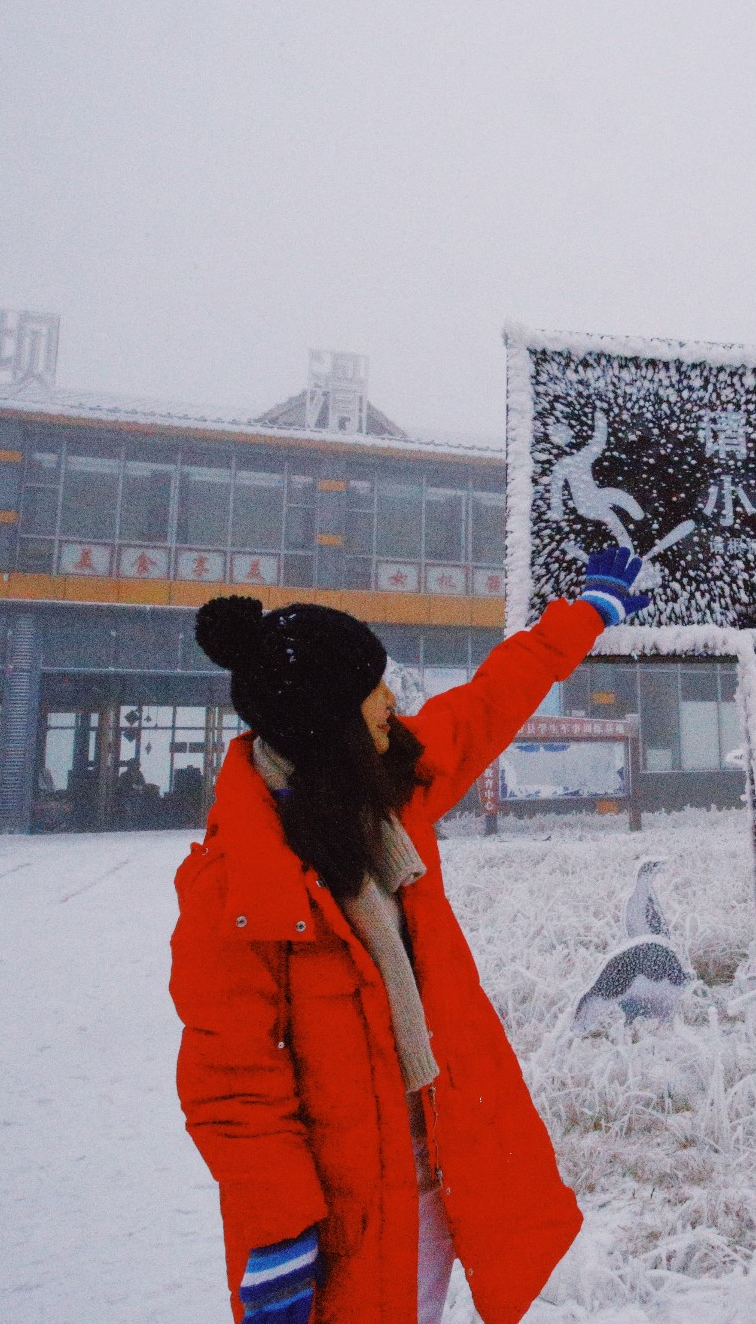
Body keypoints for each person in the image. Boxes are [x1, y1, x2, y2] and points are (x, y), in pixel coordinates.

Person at [170, 549, 651, 1324]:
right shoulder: (238, 880)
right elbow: (231, 1081)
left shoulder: (396, 789)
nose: (391, 699)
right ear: (327, 721)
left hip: (445, 1165)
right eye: (371, 689)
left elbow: (492, 700)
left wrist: (584, 614)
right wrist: (279, 1231)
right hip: (345, 1215)